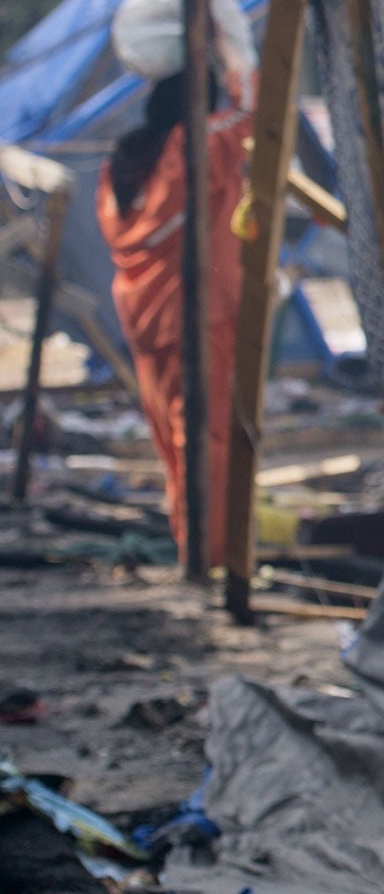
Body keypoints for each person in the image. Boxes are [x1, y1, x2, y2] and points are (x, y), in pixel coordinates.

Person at [97, 67, 251, 570]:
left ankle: (194, 544)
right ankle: (205, 554)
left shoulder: (122, 165)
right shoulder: (191, 147)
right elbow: (251, 116)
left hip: (144, 318)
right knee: (204, 437)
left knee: (172, 439)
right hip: (195, 313)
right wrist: (232, 53)